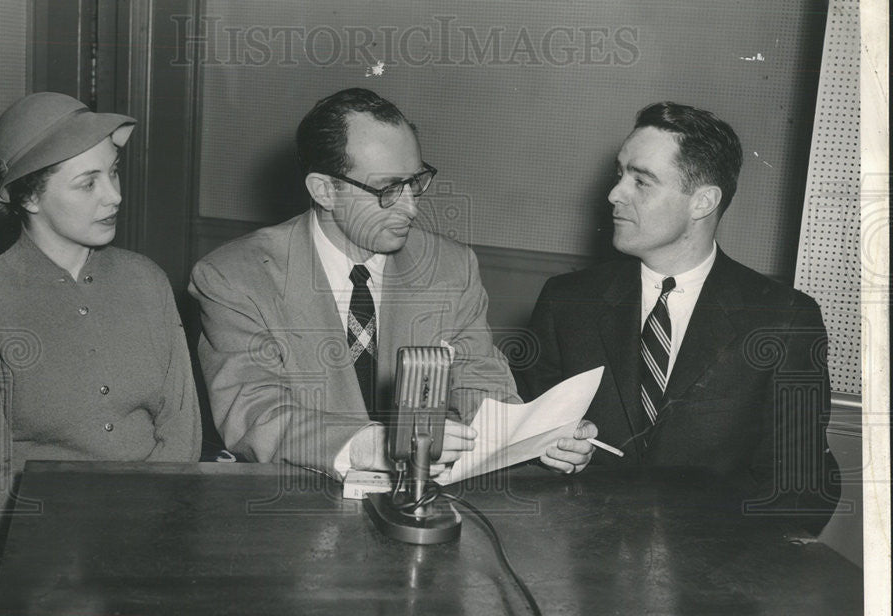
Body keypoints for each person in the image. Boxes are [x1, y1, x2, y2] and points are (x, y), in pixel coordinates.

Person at [189, 87, 596, 479]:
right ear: (325, 190)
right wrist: (371, 446)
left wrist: (535, 437)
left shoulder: (451, 268)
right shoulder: (234, 276)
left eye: (415, 182)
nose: (411, 207)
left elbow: (479, 386)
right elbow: (254, 413)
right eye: (387, 190)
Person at [523, 101, 839, 532]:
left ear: (703, 201)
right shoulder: (567, 302)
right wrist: (550, 454)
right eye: (620, 174)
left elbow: (799, 491)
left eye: (642, 181)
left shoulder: (783, 319)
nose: (615, 193)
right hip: (580, 565)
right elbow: (520, 453)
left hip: (717, 578)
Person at [0, 92, 202, 592]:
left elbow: (181, 433)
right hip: (29, 556)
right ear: (30, 197)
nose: (114, 196)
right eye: (88, 183)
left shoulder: (146, 281)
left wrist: (148, 531)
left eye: (114, 172)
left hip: (151, 535)